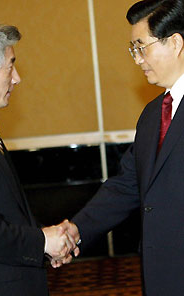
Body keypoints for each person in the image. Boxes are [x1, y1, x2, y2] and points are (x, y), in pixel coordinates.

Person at [62, 0, 184, 295]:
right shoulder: (154, 113)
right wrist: (76, 232)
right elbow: (127, 184)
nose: (138, 59)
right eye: (134, 49)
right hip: (161, 272)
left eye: (142, 46)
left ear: (176, 43)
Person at [0, 20, 79, 296]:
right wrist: (42, 241)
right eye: (10, 66)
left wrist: (45, 243)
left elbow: (3, 213)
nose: (17, 78)